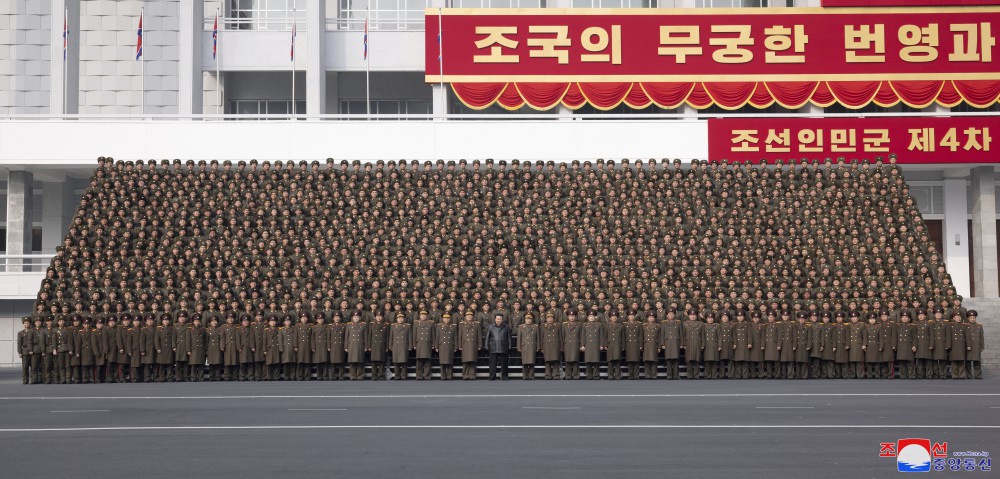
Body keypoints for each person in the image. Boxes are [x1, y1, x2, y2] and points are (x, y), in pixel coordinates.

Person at [484, 315, 511, 381]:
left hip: (503, 346)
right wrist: (486, 345)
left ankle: (504, 376)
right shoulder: (490, 326)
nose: (499, 320)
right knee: (492, 364)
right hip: (493, 347)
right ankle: (492, 377)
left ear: (502, 320)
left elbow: (509, 338)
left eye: (500, 319)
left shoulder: (506, 327)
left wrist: (510, 345)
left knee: (504, 363)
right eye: (497, 319)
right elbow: (487, 337)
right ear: (495, 319)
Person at [389, 313, 412, 380]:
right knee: (396, 362)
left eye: (402, 318)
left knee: (404, 361)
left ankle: (404, 376)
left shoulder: (407, 326)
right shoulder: (393, 326)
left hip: (404, 345)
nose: (400, 319)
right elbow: (391, 337)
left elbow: (409, 336)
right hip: (396, 345)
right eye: (399, 318)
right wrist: (390, 346)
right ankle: (397, 376)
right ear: (396, 319)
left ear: (404, 319)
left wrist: (410, 345)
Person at [413, 311, 436, 380]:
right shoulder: (416, 323)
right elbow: (414, 335)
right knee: (419, 360)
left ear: (427, 316)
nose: (423, 316)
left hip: (428, 343)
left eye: (425, 315)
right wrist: (414, 344)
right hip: (419, 343)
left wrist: (433, 344)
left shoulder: (431, 323)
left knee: (427, 360)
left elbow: (433, 335)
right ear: (419, 316)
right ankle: (419, 376)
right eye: (422, 315)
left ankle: (427, 376)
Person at [582, 313, 605, 380]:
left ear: (595, 317)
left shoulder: (599, 325)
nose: (591, 318)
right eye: (590, 316)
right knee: (588, 361)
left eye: (593, 316)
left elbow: (601, 335)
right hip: (588, 344)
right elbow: (583, 335)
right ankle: (589, 376)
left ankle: (596, 375)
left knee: (596, 361)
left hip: (596, 344)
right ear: (588, 317)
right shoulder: (584, 325)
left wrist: (601, 345)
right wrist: (582, 345)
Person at [368, 313, 390, 380]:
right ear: (375, 317)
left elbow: (387, 336)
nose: (379, 318)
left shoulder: (386, 325)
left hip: (382, 344)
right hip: (374, 344)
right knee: (374, 361)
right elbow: (369, 336)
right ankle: (374, 375)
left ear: (382, 317)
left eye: (380, 316)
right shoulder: (371, 324)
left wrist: (387, 346)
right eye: (377, 316)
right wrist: (369, 345)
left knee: (382, 361)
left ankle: (381, 375)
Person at [346, 313, 368, 380]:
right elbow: (346, 337)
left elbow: (365, 336)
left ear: (359, 318)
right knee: (352, 362)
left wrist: (366, 346)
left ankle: (360, 376)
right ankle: (352, 376)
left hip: (360, 345)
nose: (356, 318)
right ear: (352, 318)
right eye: (354, 317)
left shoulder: (363, 325)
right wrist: (346, 347)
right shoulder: (349, 325)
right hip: (351, 345)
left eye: (357, 317)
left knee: (360, 361)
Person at [561, 312, 583, 380]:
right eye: (570, 316)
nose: (572, 317)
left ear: (576, 316)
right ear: (568, 317)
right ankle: (568, 375)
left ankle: (576, 375)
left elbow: (581, 335)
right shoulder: (564, 325)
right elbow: (562, 336)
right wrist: (562, 346)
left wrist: (581, 345)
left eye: (573, 316)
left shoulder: (579, 324)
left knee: (575, 360)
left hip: (576, 343)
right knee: (567, 360)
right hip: (567, 344)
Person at [540, 313, 561, 380]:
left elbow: (560, 337)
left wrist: (561, 346)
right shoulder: (542, 326)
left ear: (553, 318)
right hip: (546, 345)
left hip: (555, 345)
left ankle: (556, 375)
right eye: (548, 318)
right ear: (546, 319)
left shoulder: (557, 325)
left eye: (551, 318)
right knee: (547, 361)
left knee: (555, 361)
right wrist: (541, 347)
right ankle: (548, 375)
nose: (550, 319)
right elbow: (541, 337)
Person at [895, 311, 916, 379]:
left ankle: (912, 375)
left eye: (906, 317)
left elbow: (914, 337)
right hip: (900, 346)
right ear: (901, 318)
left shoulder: (912, 326)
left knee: (910, 362)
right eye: (903, 317)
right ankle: (903, 375)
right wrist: (895, 346)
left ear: (909, 319)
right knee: (902, 362)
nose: (904, 319)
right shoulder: (897, 326)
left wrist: (914, 345)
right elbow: (895, 337)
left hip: (909, 346)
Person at [603, 312, 624, 380]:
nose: (614, 317)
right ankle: (610, 375)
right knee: (610, 361)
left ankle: (618, 375)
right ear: (610, 318)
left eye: (615, 316)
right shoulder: (606, 325)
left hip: (618, 344)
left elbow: (623, 337)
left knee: (617, 361)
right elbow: (605, 336)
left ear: (617, 317)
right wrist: (605, 344)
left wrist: (623, 346)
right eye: (612, 316)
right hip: (610, 344)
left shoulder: (621, 326)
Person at [965, 310, 984, 379]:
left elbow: (981, 337)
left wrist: (982, 346)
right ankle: (968, 375)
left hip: (976, 346)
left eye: (973, 318)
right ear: (968, 318)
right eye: (971, 318)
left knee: (977, 361)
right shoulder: (965, 326)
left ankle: (978, 375)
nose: (972, 319)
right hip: (968, 346)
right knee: (968, 361)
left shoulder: (979, 326)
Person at [623, 312, 643, 379]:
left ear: (634, 316)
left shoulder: (638, 324)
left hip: (636, 343)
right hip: (628, 343)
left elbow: (640, 335)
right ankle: (630, 375)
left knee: (636, 360)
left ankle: (636, 375)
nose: (631, 317)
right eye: (630, 315)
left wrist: (641, 345)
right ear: (628, 316)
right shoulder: (625, 324)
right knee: (630, 361)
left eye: (633, 315)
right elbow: (624, 336)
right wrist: (624, 345)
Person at [948, 311, 966, 379]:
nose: (958, 318)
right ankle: (955, 375)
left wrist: (969, 345)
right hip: (954, 345)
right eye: (957, 317)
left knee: (961, 361)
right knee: (954, 361)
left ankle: (962, 375)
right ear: (953, 318)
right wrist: (948, 345)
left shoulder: (964, 326)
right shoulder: (950, 326)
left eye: (959, 317)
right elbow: (949, 336)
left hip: (961, 345)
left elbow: (966, 337)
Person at [53, 316, 71, 384]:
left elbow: (69, 340)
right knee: (61, 365)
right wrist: (54, 349)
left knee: (68, 365)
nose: (61, 322)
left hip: (67, 348)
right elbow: (54, 340)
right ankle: (62, 379)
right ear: (58, 322)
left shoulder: (68, 329)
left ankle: (68, 379)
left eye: (63, 321)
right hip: (59, 349)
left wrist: (70, 349)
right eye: (60, 321)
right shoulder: (55, 330)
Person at [642, 313, 661, 379]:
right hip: (646, 344)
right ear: (647, 318)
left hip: (654, 344)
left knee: (654, 360)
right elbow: (642, 336)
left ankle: (654, 375)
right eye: (649, 317)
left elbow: (659, 337)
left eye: (652, 317)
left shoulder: (658, 326)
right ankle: (647, 375)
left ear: (655, 318)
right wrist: (641, 346)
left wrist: (659, 347)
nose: (651, 318)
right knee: (646, 361)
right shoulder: (644, 325)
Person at [188, 316, 206, 382]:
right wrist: (188, 350)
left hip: (201, 348)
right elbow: (188, 340)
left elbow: (205, 340)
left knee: (201, 364)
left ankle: (201, 377)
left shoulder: (203, 329)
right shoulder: (190, 329)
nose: (197, 322)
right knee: (193, 364)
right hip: (193, 349)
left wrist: (205, 349)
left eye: (198, 321)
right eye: (195, 321)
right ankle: (193, 377)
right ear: (193, 322)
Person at [329, 314, 347, 380]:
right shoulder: (330, 326)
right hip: (333, 345)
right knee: (333, 361)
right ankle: (333, 376)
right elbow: (329, 337)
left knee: (341, 361)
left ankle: (341, 376)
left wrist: (345, 346)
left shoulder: (343, 326)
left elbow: (346, 337)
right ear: (333, 318)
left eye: (338, 317)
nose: (337, 319)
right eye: (335, 317)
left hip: (341, 345)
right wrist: (328, 346)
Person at [793, 313, 811, 380]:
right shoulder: (795, 326)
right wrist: (794, 345)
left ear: (805, 320)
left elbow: (809, 337)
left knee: (804, 361)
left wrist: (809, 346)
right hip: (797, 346)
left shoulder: (808, 327)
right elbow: (794, 337)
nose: (801, 320)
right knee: (797, 361)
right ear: (798, 319)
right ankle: (798, 375)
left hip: (804, 346)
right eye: (800, 319)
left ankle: (804, 375)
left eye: (803, 319)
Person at [206, 317, 224, 381]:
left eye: (215, 321)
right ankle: (212, 376)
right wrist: (206, 349)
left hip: (217, 347)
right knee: (211, 363)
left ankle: (218, 376)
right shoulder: (207, 330)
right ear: (210, 322)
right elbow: (206, 341)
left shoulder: (220, 329)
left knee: (218, 363)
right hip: (210, 348)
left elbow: (222, 338)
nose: (214, 322)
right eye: (212, 321)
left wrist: (221, 346)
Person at [17, 319, 33, 384]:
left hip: (33, 351)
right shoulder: (20, 333)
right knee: (25, 367)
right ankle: (25, 380)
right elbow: (19, 343)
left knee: (33, 366)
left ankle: (33, 379)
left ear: (30, 324)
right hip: (25, 351)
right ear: (23, 324)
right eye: (25, 323)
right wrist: (19, 352)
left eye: (28, 323)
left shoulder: (33, 331)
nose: (27, 324)